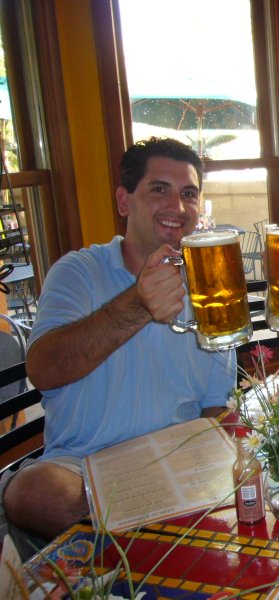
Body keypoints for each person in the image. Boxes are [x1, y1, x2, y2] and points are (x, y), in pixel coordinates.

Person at [1, 137, 235, 555]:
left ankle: (134, 543)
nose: (178, 206)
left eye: (189, 194)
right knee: (33, 493)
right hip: (83, 470)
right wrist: (138, 305)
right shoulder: (78, 272)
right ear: (124, 201)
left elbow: (214, 408)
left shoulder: (209, 289)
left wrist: (206, 462)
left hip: (175, 464)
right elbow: (43, 369)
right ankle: (150, 540)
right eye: (159, 189)